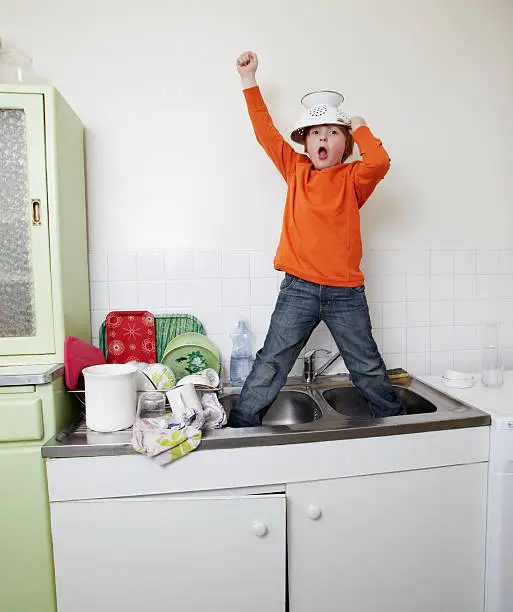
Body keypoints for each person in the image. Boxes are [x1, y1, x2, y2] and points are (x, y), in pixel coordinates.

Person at [228, 50, 404, 428]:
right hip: (299, 290)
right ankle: (240, 428)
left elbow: (380, 162)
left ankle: (399, 429)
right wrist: (249, 80)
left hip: (346, 293)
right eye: (316, 133)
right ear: (306, 144)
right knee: (272, 361)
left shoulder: (354, 179)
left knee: (367, 367)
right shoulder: (295, 169)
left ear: (346, 145)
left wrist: (360, 124)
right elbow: (264, 131)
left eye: (334, 132)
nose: (323, 137)